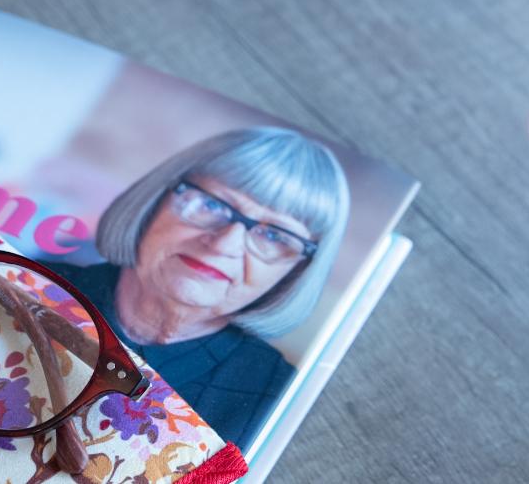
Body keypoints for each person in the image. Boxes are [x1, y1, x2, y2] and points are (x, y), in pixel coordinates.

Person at [46, 126, 349, 449]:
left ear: (296, 271)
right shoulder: (25, 280)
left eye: (274, 236)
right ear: (154, 202)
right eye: (212, 205)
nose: (224, 244)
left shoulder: (280, 398)